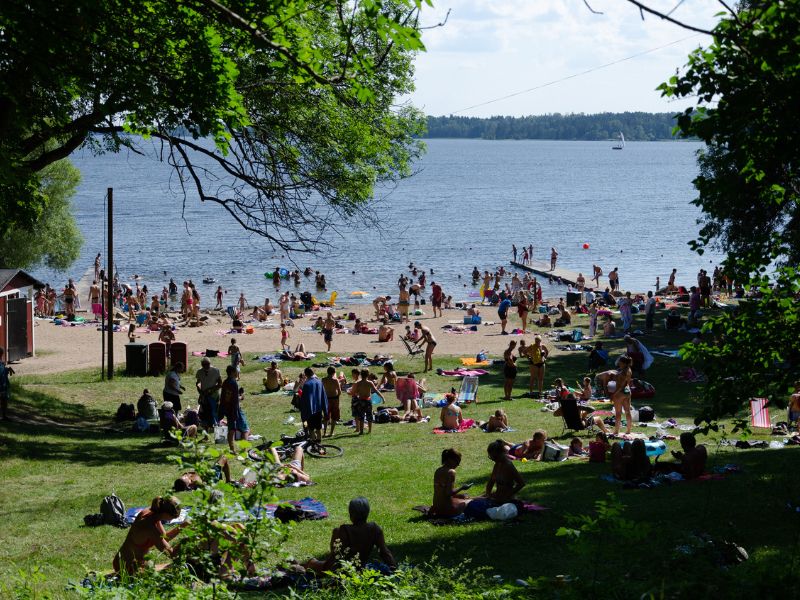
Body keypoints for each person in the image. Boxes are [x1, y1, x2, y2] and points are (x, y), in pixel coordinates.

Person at [304, 497, 396, 575]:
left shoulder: (343, 530)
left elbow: (334, 556)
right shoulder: (375, 529)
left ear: (351, 514)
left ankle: (296, 566)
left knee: (311, 562)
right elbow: (385, 552)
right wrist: (394, 569)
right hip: (361, 568)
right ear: (367, 513)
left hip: (341, 570)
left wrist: (326, 573)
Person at [113, 496, 185, 575]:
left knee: (164, 569)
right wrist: (185, 541)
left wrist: (183, 526)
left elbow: (164, 538)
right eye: (174, 516)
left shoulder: (154, 513)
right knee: (168, 573)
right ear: (165, 513)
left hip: (134, 562)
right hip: (125, 567)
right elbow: (172, 554)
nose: (175, 518)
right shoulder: (149, 526)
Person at [432, 448, 472, 516]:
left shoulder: (438, 470)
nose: (457, 465)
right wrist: (462, 487)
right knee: (470, 502)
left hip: (436, 507)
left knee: (462, 497)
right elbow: (449, 493)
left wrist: (458, 495)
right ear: (450, 460)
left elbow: (442, 492)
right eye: (457, 462)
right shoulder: (451, 472)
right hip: (447, 510)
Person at [300, 367, 328, 443]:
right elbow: (323, 396)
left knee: (311, 429)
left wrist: (303, 412)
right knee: (319, 428)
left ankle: (313, 444)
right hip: (318, 409)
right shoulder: (319, 382)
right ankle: (319, 443)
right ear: (313, 373)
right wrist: (325, 410)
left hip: (310, 410)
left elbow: (304, 400)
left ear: (305, 374)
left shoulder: (306, 384)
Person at [195, 357, 222, 428]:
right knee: (205, 410)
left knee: (214, 410)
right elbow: (198, 382)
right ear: (202, 365)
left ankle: (215, 424)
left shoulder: (216, 371)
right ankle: (207, 425)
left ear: (210, 363)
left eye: (207, 364)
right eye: (204, 365)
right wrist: (199, 389)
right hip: (204, 395)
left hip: (214, 395)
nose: (206, 366)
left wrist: (210, 390)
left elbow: (220, 384)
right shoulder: (199, 372)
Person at [612, 355, 633, 436]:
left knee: (618, 413)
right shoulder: (629, 370)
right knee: (627, 412)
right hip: (627, 392)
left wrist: (614, 394)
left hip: (620, 393)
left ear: (624, 363)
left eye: (620, 362)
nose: (619, 363)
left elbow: (621, 385)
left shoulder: (623, 372)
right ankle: (628, 430)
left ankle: (616, 431)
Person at [322, 366, 342, 437]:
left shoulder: (323, 380)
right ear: (334, 373)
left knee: (326, 416)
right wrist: (337, 397)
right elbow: (339, 391)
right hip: (334, 399)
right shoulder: (335, 380)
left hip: (326, 399)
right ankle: (331, 432)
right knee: (334, 416)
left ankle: (324, 433)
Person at [0, 347, 13, 420]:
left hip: (3, 384)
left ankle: (4, 416)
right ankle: (3, 415)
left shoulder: (1, 363)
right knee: (3, 400)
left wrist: (7, 369)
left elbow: (2, 371)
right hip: (2, 384)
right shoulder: (1, 364)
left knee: (4, 400)